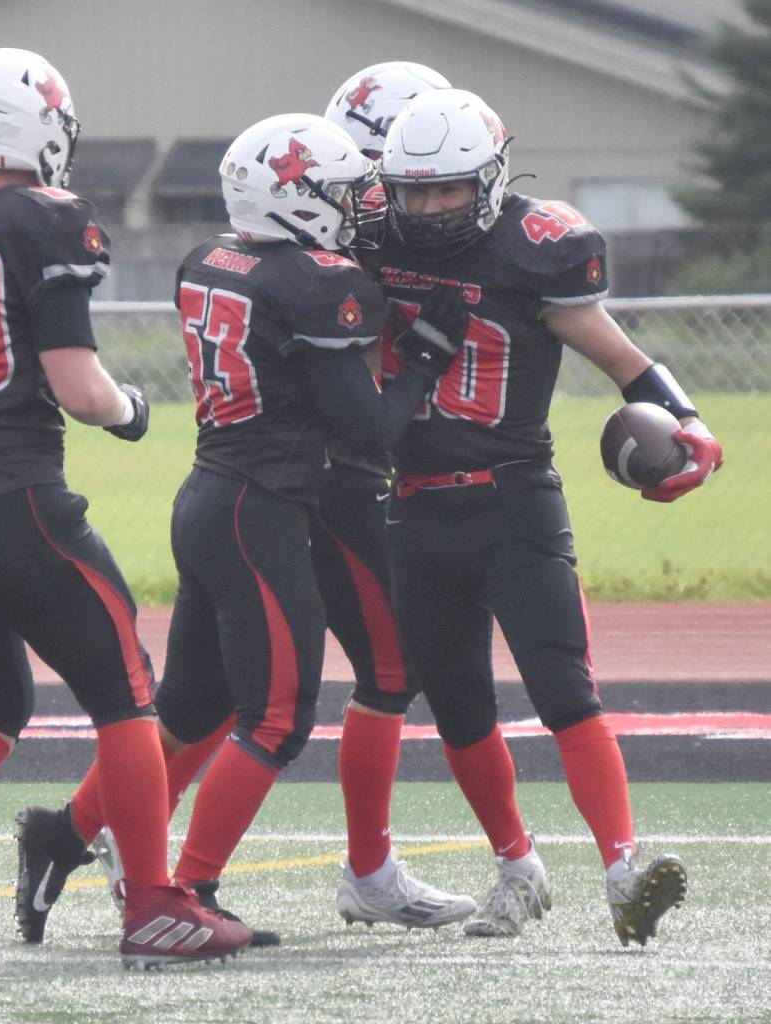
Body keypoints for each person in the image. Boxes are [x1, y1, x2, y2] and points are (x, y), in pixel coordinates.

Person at [13, 112, 475, 945]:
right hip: (259, 511)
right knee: (276, 719)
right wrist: (428, 356)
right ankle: (187, 889)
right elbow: (371, 428)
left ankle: (63, 836)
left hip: (210, 497)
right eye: (342, 193)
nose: (358, 207)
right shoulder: (319, 284)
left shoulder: (209, 259)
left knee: (194, 707)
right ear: (297, 198)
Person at [0, 46, 251, 971]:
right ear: (36, 131)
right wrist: (131, 409)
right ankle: (153, 904)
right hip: (12, 500)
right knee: (127, 697)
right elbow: (79, 388)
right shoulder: (46, 218)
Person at [364, 87, 723, 946]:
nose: (430, 207)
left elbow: (624, 360)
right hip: (415, 505)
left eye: (449, 189)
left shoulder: (534, 250)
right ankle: (516, 868)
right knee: (459, 709)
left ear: (488, 179)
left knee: (566, 690)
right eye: (415, 191)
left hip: (514, 499)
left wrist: (689, 421)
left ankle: (622, 872)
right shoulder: (368, 238)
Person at [320, 61, 472, 929]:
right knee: (365, 674)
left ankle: (87, 832)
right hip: (314, 478)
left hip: (260, 478)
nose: (413, 201)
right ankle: (368, 872)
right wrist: (419, 360)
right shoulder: (330, 261)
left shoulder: (306, 240)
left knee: (219, 689)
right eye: (401, 179)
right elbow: (369, 415)